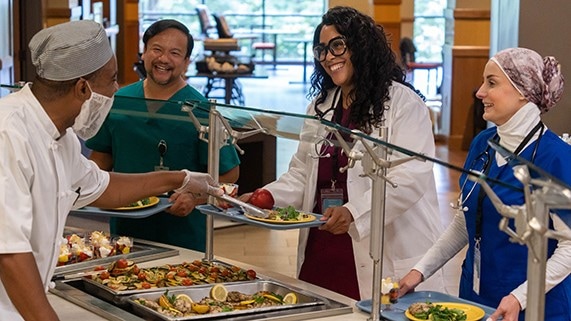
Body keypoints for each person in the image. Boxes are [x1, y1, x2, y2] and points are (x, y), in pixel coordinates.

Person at [0, 20, 221, 321]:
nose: (117, 88)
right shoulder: (8, 133)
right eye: (112, 79)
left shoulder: (60, 135)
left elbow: (103, 186)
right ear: (82, 88)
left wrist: (180, 177)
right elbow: (9, 253)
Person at [240, 6, 445, 300]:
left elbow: (409, 177)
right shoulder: (321, 106)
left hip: (378, 245)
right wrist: (266, 197)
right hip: (324, 244)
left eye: (337, 45)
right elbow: (302, 173)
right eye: (321, 50)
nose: (328, 57)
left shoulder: (403, 103)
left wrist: (353, 212)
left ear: (361, 46)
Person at [399, 47, 571, 321]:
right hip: (477, 296)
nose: (479, 93)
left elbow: (569, 247)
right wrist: (420, 271)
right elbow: (465, 221)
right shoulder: (483, 145)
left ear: (523, 91)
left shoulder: (557, 158)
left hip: (536, 306)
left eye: (491, 83)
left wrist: (520, 297)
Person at [86, 19, 240, 252]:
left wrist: (194, 198)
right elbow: (100, 161)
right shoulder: (120, 101)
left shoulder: (201, 109)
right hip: (125, 231)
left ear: (186, 62)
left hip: (183, 234)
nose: (164, 59)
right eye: (156, 49)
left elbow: (229, 174)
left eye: (175, 53)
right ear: (144, 52)